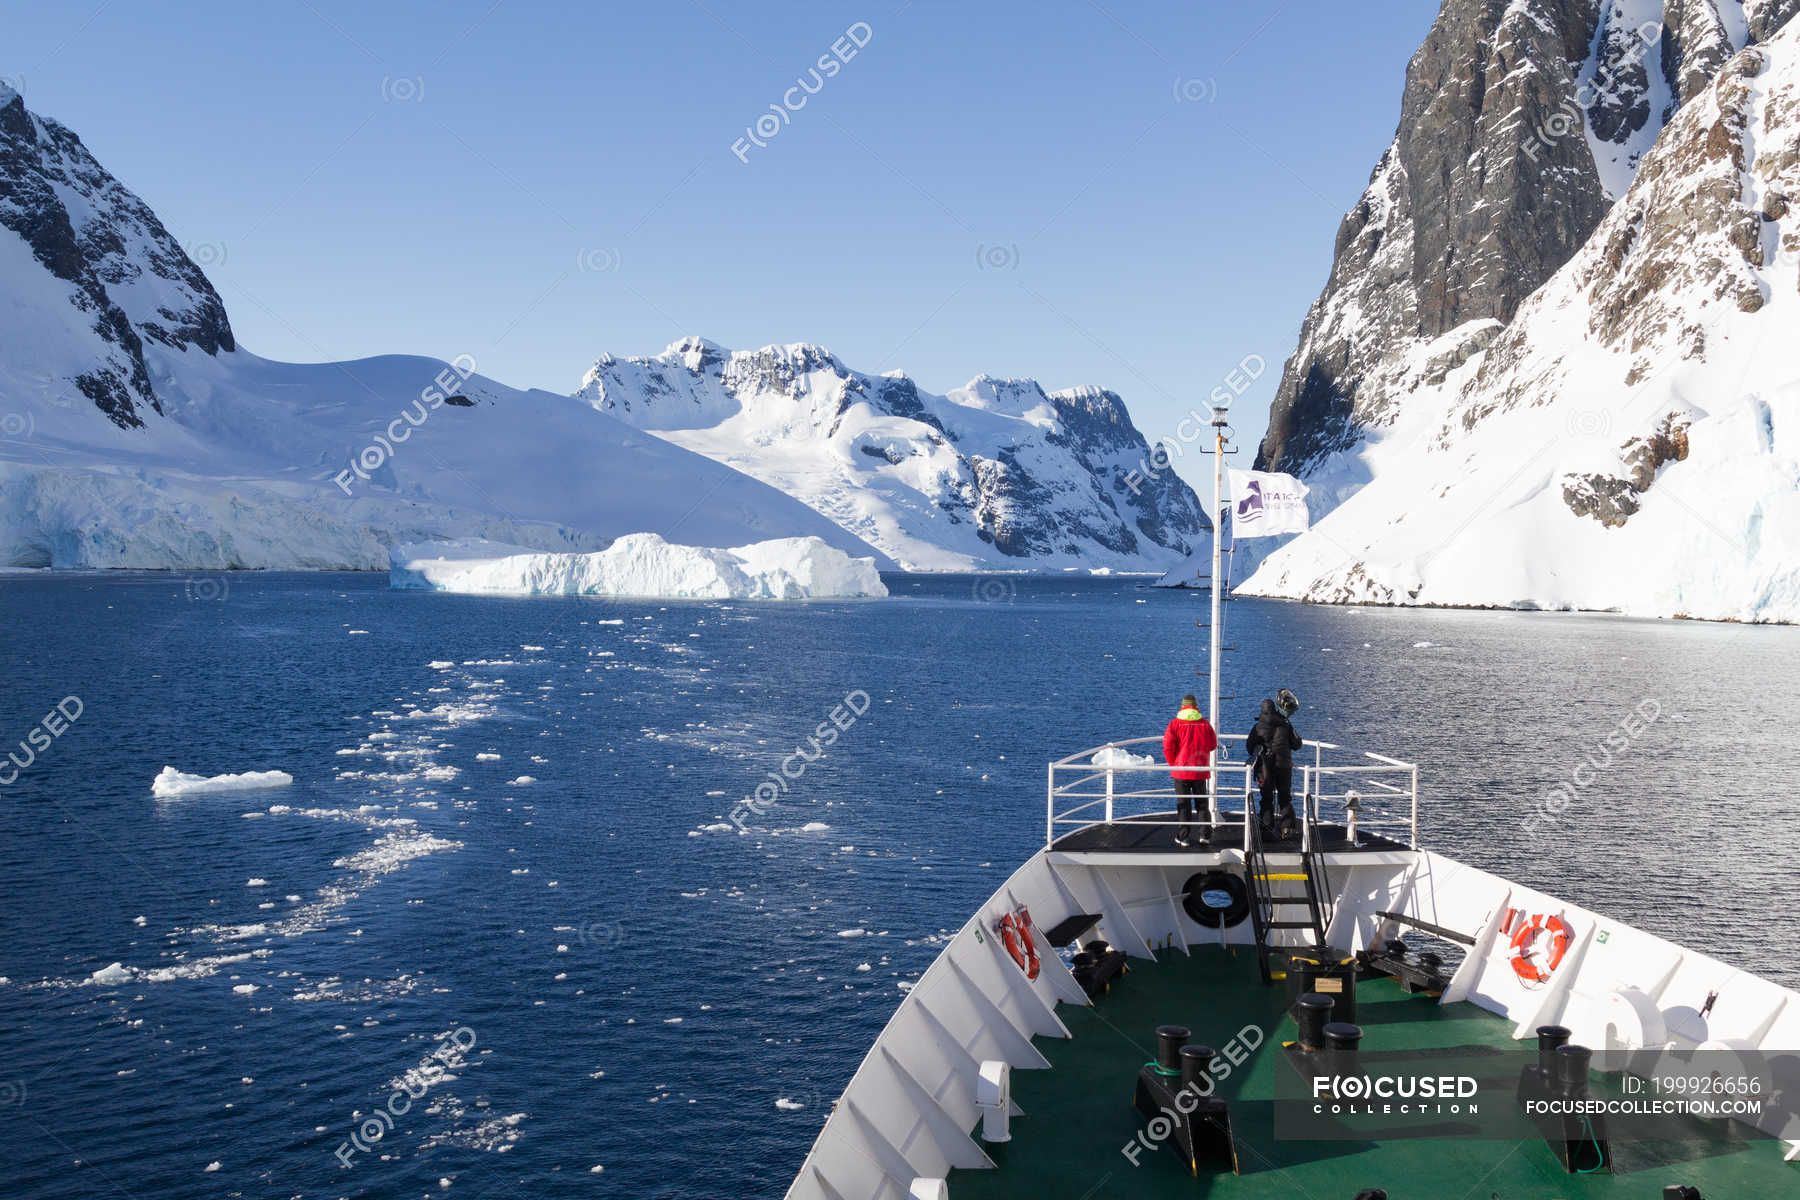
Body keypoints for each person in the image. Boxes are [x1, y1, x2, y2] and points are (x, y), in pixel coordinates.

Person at [1162, 694, 1218, 847]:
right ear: (1196, 706)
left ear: (1182, 706)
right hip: (1200, 771)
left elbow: (1167, 746)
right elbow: (1213, 744)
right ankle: (1205, 835)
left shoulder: (1175, 724)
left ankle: (1184, 837)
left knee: (1183, 804)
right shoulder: (1205, 724)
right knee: (1202, 804)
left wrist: (1173, 764)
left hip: (1181, 772)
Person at [1245, 696, 1303, 838]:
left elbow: (1249, 747)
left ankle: (1266, 830)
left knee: (1266, 798)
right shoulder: (1285, 725)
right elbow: (1297, 744)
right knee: (1284, 797)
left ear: (1262, 711)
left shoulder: (1257, 727)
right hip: (1283, 766)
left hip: (1265, 768)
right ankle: (1287, 828)